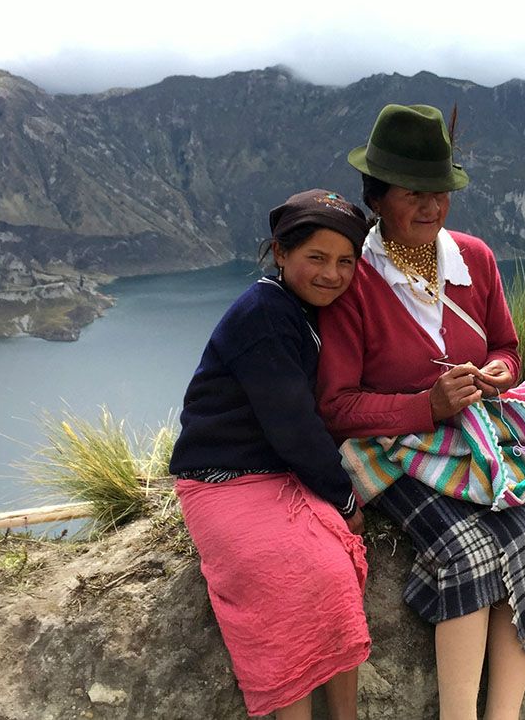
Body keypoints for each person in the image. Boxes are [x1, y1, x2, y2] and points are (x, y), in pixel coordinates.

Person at [317, 104, 525, 720]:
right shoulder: (354, 280)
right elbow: (335, 405)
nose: (430, 207)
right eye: (412, 193)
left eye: (438, 192)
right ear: (378, 198)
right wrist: (425, 406)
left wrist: (501, 372)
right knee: (468, 551)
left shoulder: (473, 259)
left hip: (475, 434)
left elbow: (505, 346)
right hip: (393, 446)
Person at [169, 189, 373, 720]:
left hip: (272, 475)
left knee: (332, 573)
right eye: (317, 258)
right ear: (281, 254)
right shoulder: (265, 315)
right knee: (283, 579)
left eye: (346, 262)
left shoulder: (295, 307)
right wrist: (345, 496)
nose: (333, 273)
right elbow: (292, 424)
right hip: (222, 481)